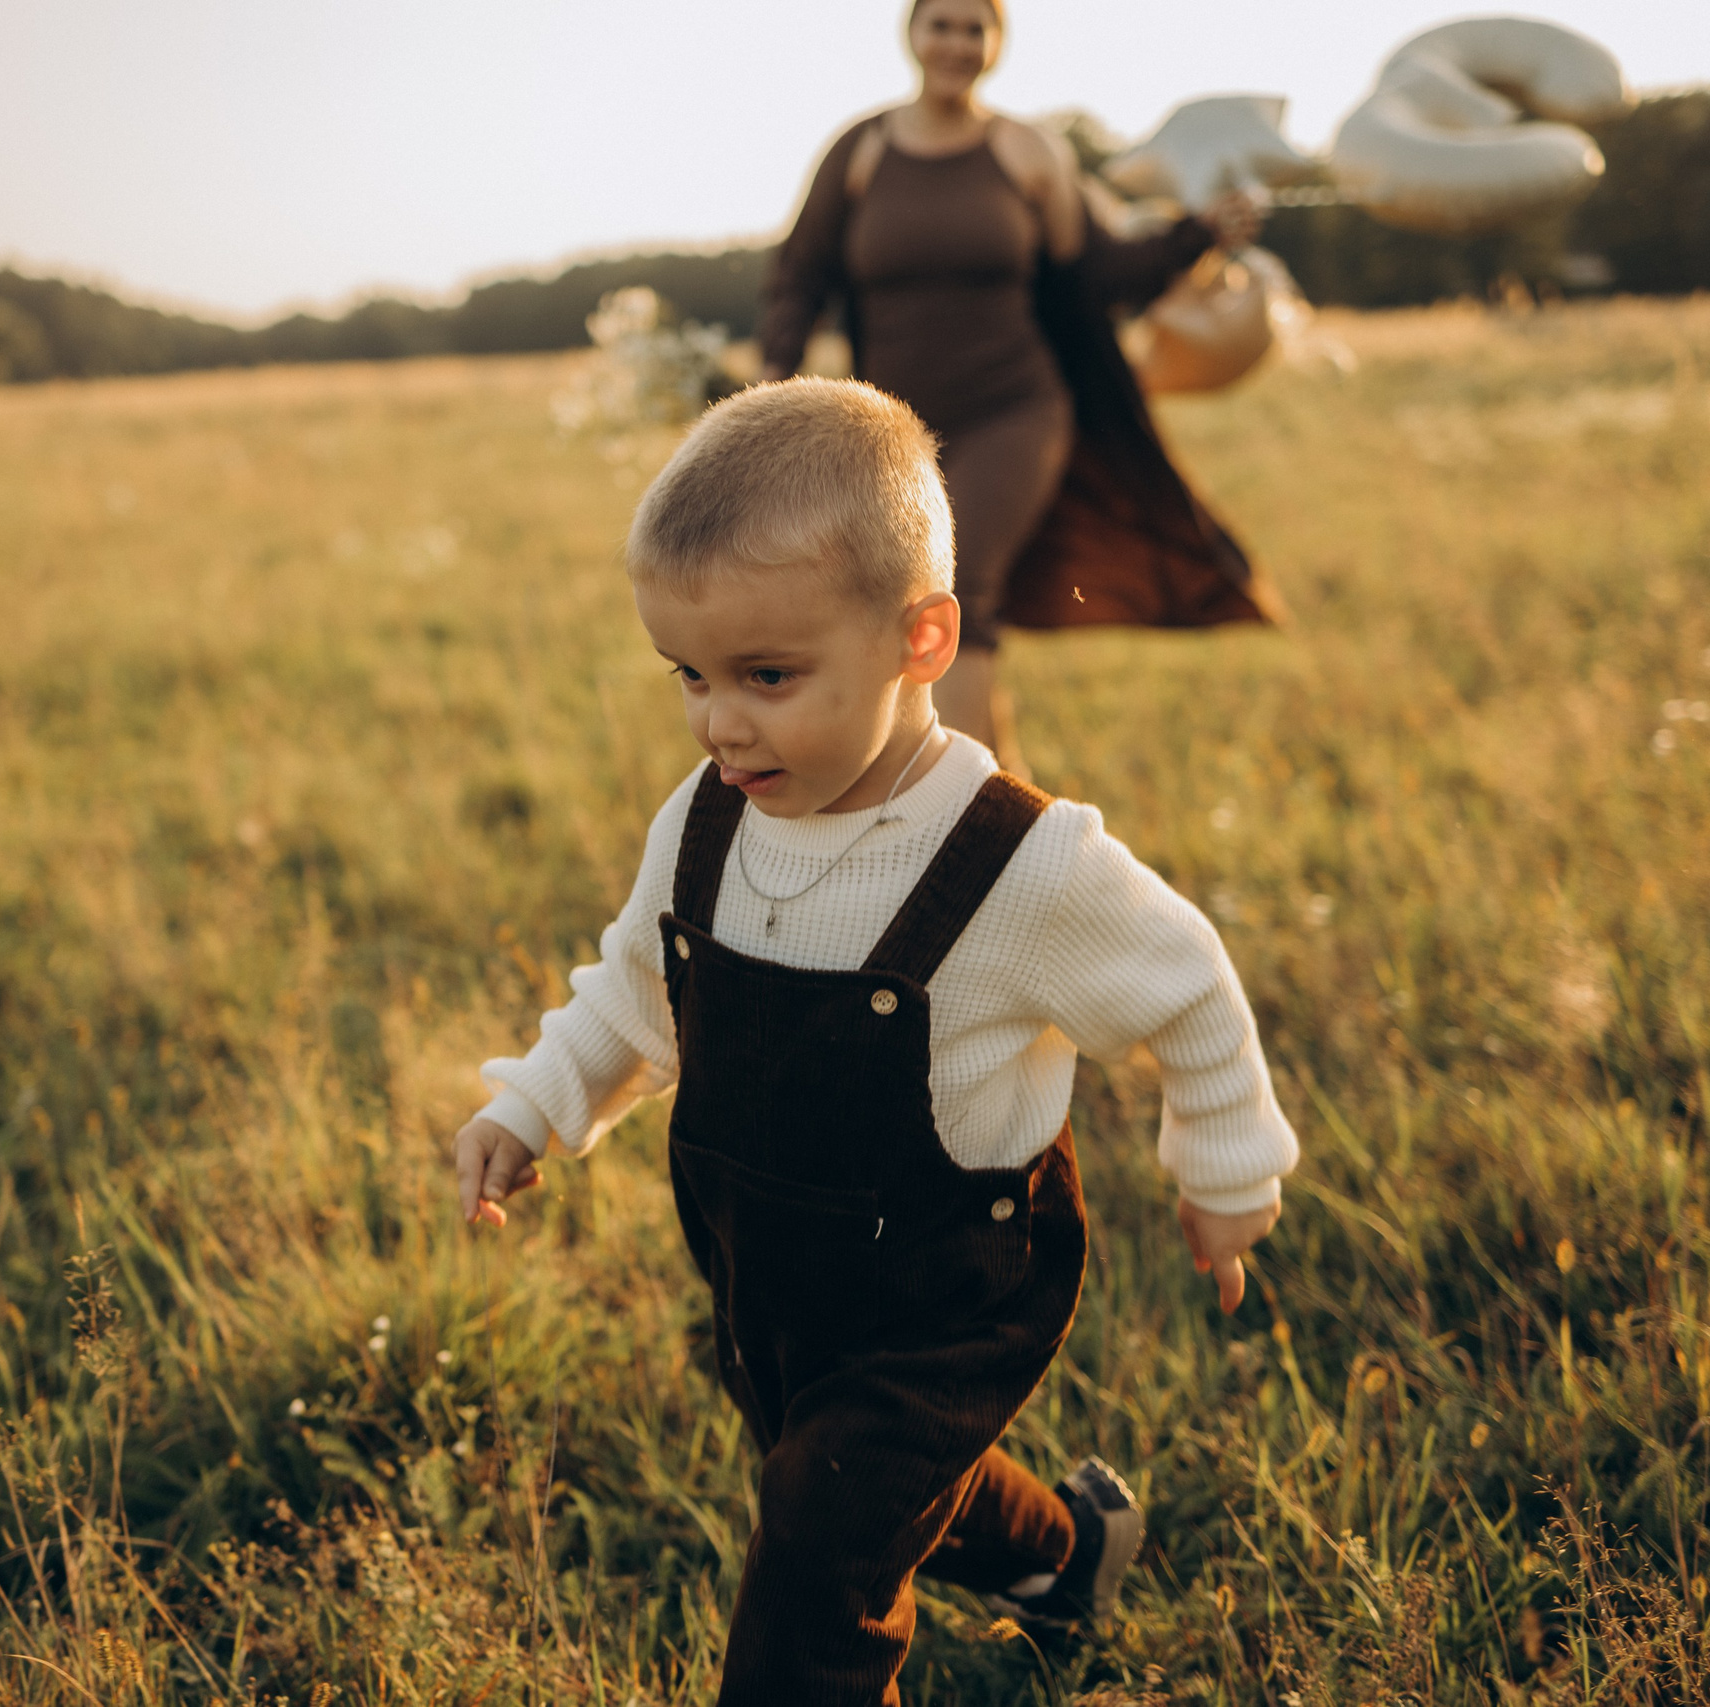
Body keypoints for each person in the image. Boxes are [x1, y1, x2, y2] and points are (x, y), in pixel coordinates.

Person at [450, 379, 1299, 1704]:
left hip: (951, 1285)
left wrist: (1228, 1171)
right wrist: (536, 1099)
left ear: (923, 637)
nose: (720, 721)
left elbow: (1187, 983)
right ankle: (1071, 1554)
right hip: (767, 1264)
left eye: (768, 676)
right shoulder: (707, 818)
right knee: (858, 1475)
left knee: (818, 1537)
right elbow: (639, 983)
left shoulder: (1020, 861)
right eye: (691, 675)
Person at [760, 0, 1282, 772]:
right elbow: (799, 275)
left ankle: (972, 818)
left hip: (1015, 411)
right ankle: (1003, 799)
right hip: (893, 428)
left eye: (977, 28)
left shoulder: (1027, 151)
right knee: (899, 600)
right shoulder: (861, 152)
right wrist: (776, 387)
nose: (958, 43)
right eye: (943, 24)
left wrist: (1198, 233)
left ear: (998, 43)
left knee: (957, 589)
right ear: (912, 34)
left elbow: (1098, 272)